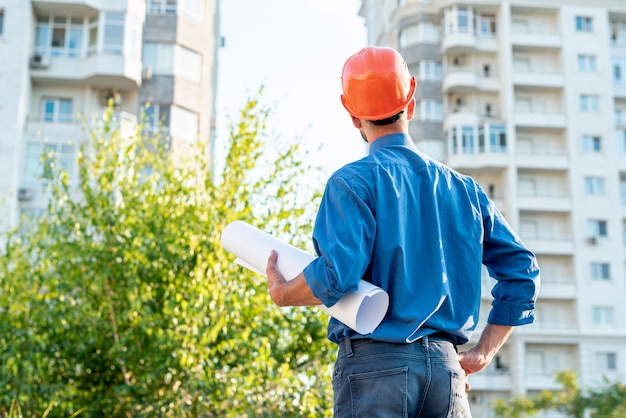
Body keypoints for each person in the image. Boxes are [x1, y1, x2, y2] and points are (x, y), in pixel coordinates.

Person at [265, 46, 540, 418]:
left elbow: (338, 274)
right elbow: (522, 272)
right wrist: (482, 352)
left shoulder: (353, 183)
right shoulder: (464, 190)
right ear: (410, 102)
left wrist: (285, 292)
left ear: (351, 114)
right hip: (448, 375)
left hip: (375, 370)